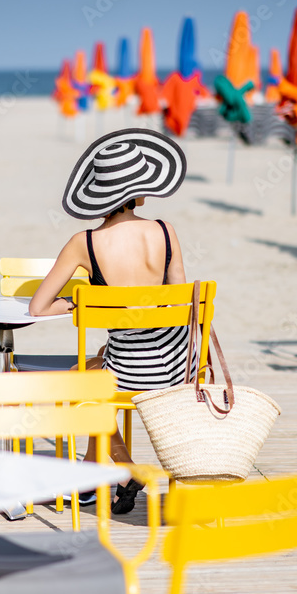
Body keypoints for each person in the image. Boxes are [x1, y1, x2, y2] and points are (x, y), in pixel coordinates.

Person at [29, 128, 189, 515]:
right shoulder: (166, 232)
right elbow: (177, 300)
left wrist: (77, 302)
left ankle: (126, 469)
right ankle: (91, 476)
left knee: (78, 378)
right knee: (101, 360)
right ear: (136, 193)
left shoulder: (84, 242)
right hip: (174, 367)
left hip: (129, 370)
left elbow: (37, 307)